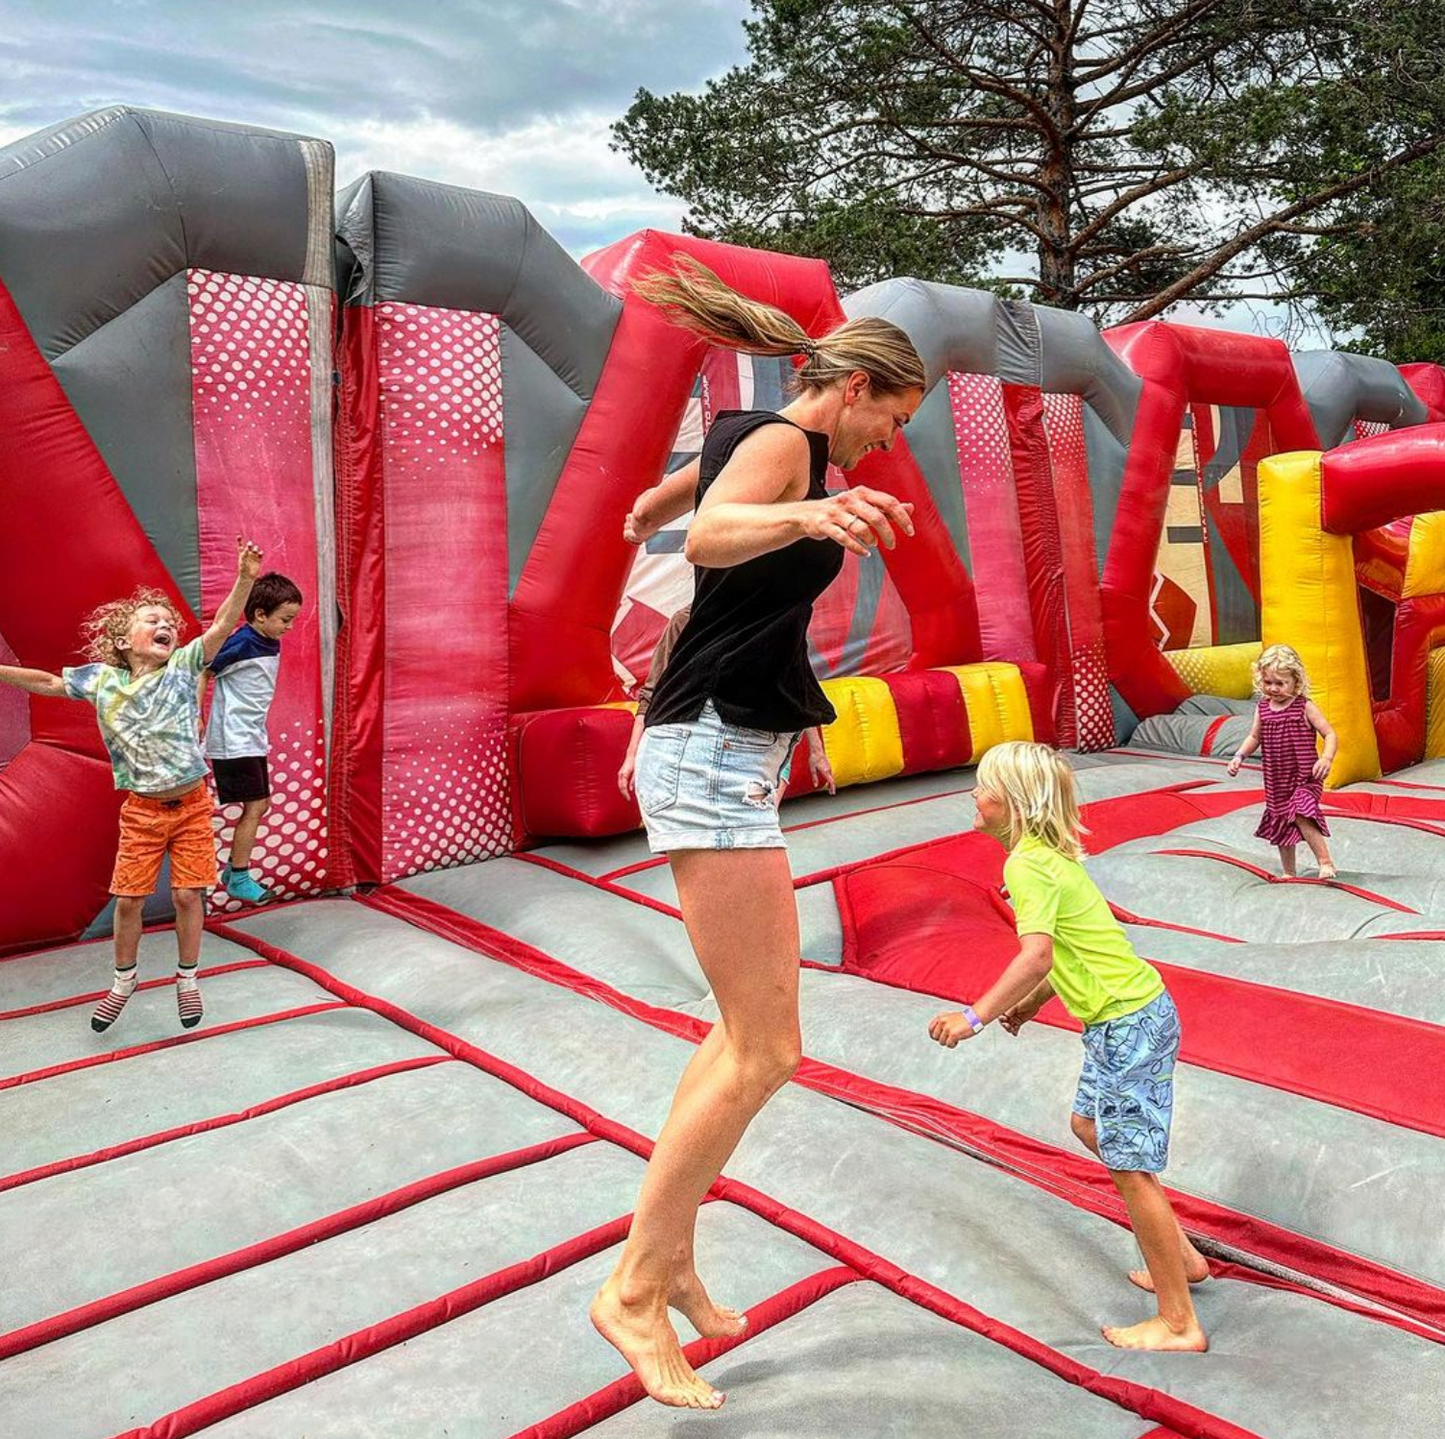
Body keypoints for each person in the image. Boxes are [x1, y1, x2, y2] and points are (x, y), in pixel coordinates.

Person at [590, 253, 923, 1409]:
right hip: (711, 753)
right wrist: (801, 511)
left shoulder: (755, 434)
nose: (887, 444)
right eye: (892, 419)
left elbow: (678, 501)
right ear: (854, 389)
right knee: (768, 1047)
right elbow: (709, 535)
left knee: (738, 1034)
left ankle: (672, 1255)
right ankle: (632, 1288)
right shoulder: (787, 449)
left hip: (726, 744)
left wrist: (652, 503)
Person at [928, 741, 1209, 1353]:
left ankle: (1178, 1322)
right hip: (1127, 1018)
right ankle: (1183, 1257)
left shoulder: (1027, 866)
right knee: (1089, 1126)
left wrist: (974, 1017)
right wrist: (1033, 1004)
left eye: (984, 786)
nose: (973, 794)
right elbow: (1076, 951)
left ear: (1015, 804)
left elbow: (1036, 954)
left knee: (1130, 1168)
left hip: (1128, 1024)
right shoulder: (1048, 858)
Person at [0, 538, 263, 1031]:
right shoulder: (103, 680)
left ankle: (187, 978)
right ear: (123, 640)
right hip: (142, 811)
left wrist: (245, 579)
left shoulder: (183, 667)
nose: (166, 625)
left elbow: (222, 626)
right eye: (152, 620)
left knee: (187, 896)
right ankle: (124, 980)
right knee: (129, 900)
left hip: (190, 805)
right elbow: (48, 682)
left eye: (170, 623)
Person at [617, 604, 834, 803]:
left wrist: (817, 751)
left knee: (758, 819)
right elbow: (651, 693)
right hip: (705, 743)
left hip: (761, 744)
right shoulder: (686, 621)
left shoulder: (774, 618)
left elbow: (797, 687)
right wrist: (632, 754)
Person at [205, 571, 304, 903]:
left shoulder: (266, 640)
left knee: (260, 804)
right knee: (257, 804)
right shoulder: (243, 642)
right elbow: (203, 668)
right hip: (234, 739)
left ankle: (234, 871)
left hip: (250, 736)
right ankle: (238, 876)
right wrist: (196, 717)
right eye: (285, 619)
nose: (289, 627)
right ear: (260, 614)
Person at [1226, 644, 1337, 880]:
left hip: (1304, 777)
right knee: (1282, 819)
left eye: (1280, 683)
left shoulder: (1304, 707)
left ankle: (1325, 862)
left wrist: (1326, 758)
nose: (1273, 688)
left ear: (1295, 681)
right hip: (1277, 780)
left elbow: (1329, 734)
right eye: (1268, 682)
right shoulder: (1263, 708)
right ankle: (1289, 872)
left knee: (1301, 812)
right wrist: (1239, 756)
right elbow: (1254, 737)